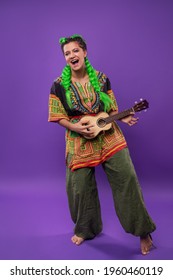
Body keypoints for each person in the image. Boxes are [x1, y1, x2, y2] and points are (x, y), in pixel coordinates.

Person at [48, 34, 156, 255]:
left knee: (127, 179)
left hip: (107, 134)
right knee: (79, 188)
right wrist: (75, 127)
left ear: (84, 52)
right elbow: (57, 115)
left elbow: (112, 108)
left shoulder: (102, 78)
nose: (71, 56)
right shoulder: (58, 86)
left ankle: (144, 232)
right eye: (67, 53)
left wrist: (122, 116)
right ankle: (87, 229)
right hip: (79, 138)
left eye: (75, 51)